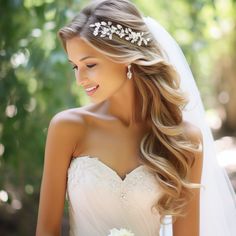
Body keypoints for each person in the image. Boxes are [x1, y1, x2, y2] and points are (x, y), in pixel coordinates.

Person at [36, 0, 236, 235]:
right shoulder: (67, 128)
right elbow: (47, 231)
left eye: (89, 64)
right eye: (75, 67)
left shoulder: (183, 139)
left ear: (125, 57)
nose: (80, 79)